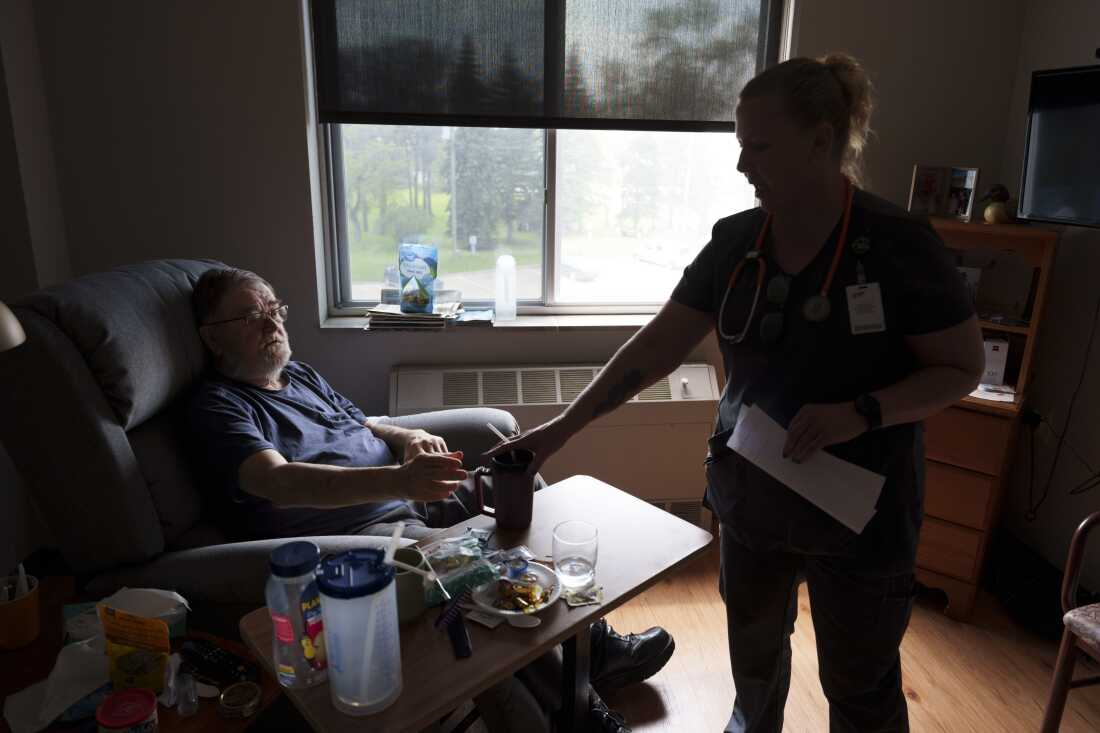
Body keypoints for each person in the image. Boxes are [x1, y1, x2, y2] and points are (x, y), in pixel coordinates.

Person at [488, 53, 985, 733]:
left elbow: (961, 368)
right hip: (754, 500)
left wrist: (863, 412)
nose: (743, 164)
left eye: (759, 146)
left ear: (820, 140)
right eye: (739, 145)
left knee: (860, 686)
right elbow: (654, 348)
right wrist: (558, 432)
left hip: (862, 514)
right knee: (754, 668)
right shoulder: (737, 243)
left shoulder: (899, 247)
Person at [187, 267, 676, 733]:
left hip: (404, 492)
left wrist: (409, 436)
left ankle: (595, 645)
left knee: (515, 488)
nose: (272, 321)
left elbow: (364, 425)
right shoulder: (220, 405)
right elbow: (277, 481)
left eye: (274, 308)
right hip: (356, 532)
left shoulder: (301, 375)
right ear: (212, 337)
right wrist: (400, 482)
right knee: (487, 571)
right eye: (252, 315)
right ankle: (582, 715)